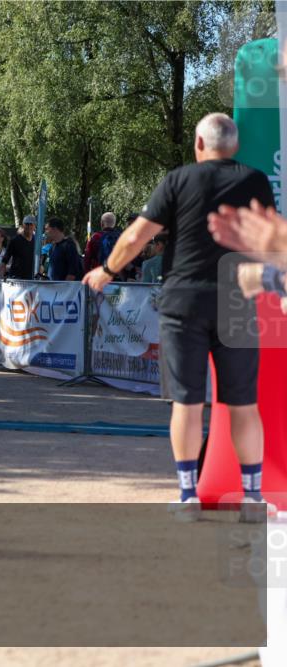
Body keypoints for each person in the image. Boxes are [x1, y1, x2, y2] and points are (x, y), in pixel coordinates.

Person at [84, 112, 276, 523]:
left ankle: (188, 496)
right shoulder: (256, 181)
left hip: (183, 301)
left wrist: (106, 271)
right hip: (237, 299)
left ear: (199, 143)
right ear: (235, 146)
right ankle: (253, 498)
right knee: (243, 405)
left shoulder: (177, 180)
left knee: (186, 403)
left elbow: (137, 235)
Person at [0, 215, 36, 279]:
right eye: (27, 224)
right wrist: (2, 277)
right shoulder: (15, 240)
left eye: (31, 224)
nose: (29, 226)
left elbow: (39, 261)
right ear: (23, 225)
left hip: (32, 279)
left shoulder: (36, 241)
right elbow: (4, 261)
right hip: (16, 278)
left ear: (34, 226)